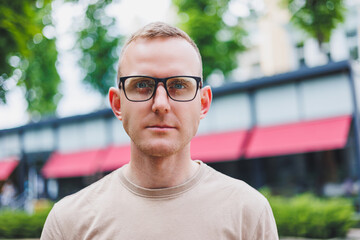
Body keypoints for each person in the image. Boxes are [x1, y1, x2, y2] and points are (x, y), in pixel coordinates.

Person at [41, 22, 278, 239]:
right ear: (117, 104)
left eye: (179, 85)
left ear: (203, 103)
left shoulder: (248, 213)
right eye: (142, 85)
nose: (161, 104)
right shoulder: (68, 223)